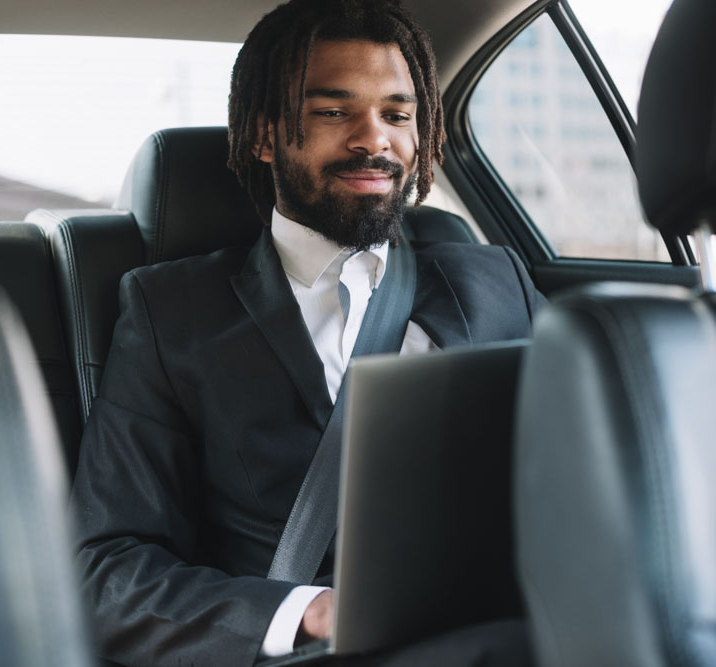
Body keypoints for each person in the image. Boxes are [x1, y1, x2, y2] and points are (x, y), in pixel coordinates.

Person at [71, 1, 543, 665]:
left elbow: (591, 462)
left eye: (397, 114)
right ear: (265, 135)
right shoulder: (171, 312)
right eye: (334, 111)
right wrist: (311, 611)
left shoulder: (495, 280)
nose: (374, 139)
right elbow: (107, 574)